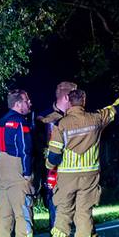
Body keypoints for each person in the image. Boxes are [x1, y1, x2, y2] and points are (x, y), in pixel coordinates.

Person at [46, 88, 119, 237]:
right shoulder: (96, 119)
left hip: (67, 176)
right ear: (83, 101)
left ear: (70, 103)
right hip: (89, 175)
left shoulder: (61, 124)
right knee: (84, 213)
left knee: (63, 212)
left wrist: (49, 166)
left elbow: (54, 156)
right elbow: (114, 110)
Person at [0, 90, 38, 237]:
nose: (30, 103)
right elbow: (25, 149)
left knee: (4, 214)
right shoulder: (20, 122)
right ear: (18, 104)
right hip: (16, 168)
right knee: (23, 212)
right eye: (27, 100)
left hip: (0, 170)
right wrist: (27, 173)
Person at [37, 81, 78, 229]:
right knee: (54, 201)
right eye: (74, 96)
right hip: (53, 167)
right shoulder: (44, 118)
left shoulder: (75, 115)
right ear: (67, 97)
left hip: (74, 167)